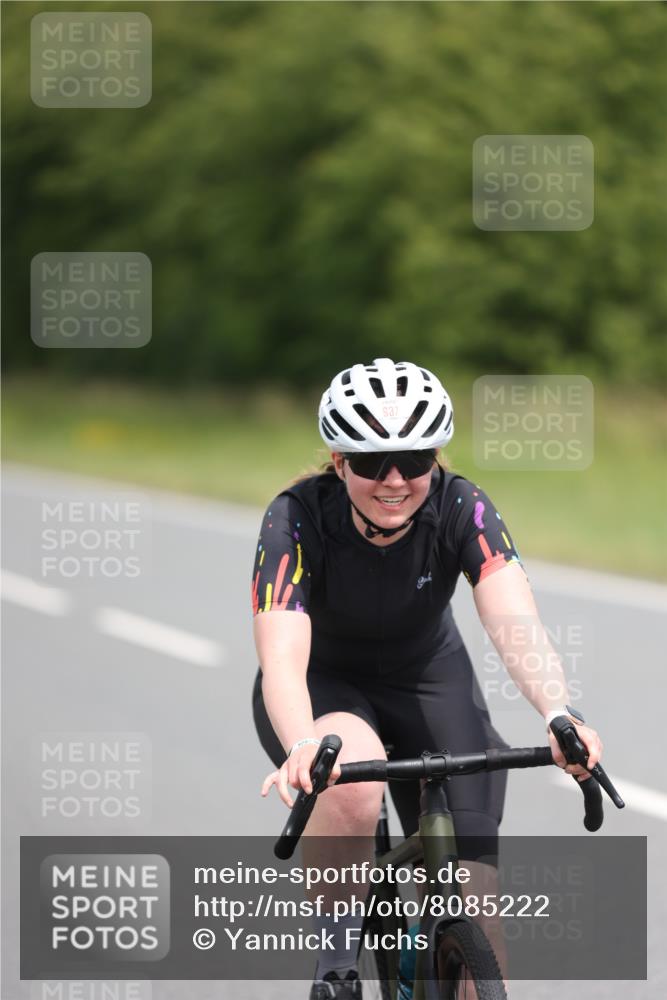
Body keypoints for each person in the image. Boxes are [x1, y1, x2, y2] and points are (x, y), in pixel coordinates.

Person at [251, 358, 603, 1000]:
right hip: (327, 689)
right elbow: (282, 655)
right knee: (352, 788)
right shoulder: (294, 517)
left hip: (430, 682)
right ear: (338, 462)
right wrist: (302, 743)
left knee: (481, 923)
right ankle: (336, 963)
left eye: (414, 460)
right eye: (370, 462)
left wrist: (559, 712)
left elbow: (514, 619)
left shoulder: (462, 505)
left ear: (436, 457)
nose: (394, 480)